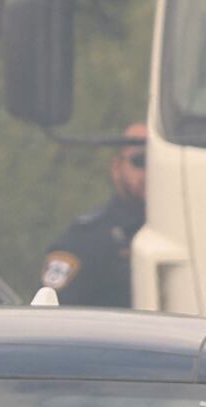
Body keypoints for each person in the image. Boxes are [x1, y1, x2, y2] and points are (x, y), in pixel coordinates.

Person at [36, 129, 147, 309]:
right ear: (117, 167)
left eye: (159, 162)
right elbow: (50, 317)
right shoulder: (85, 240)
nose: (150, 171)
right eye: (140, 161)